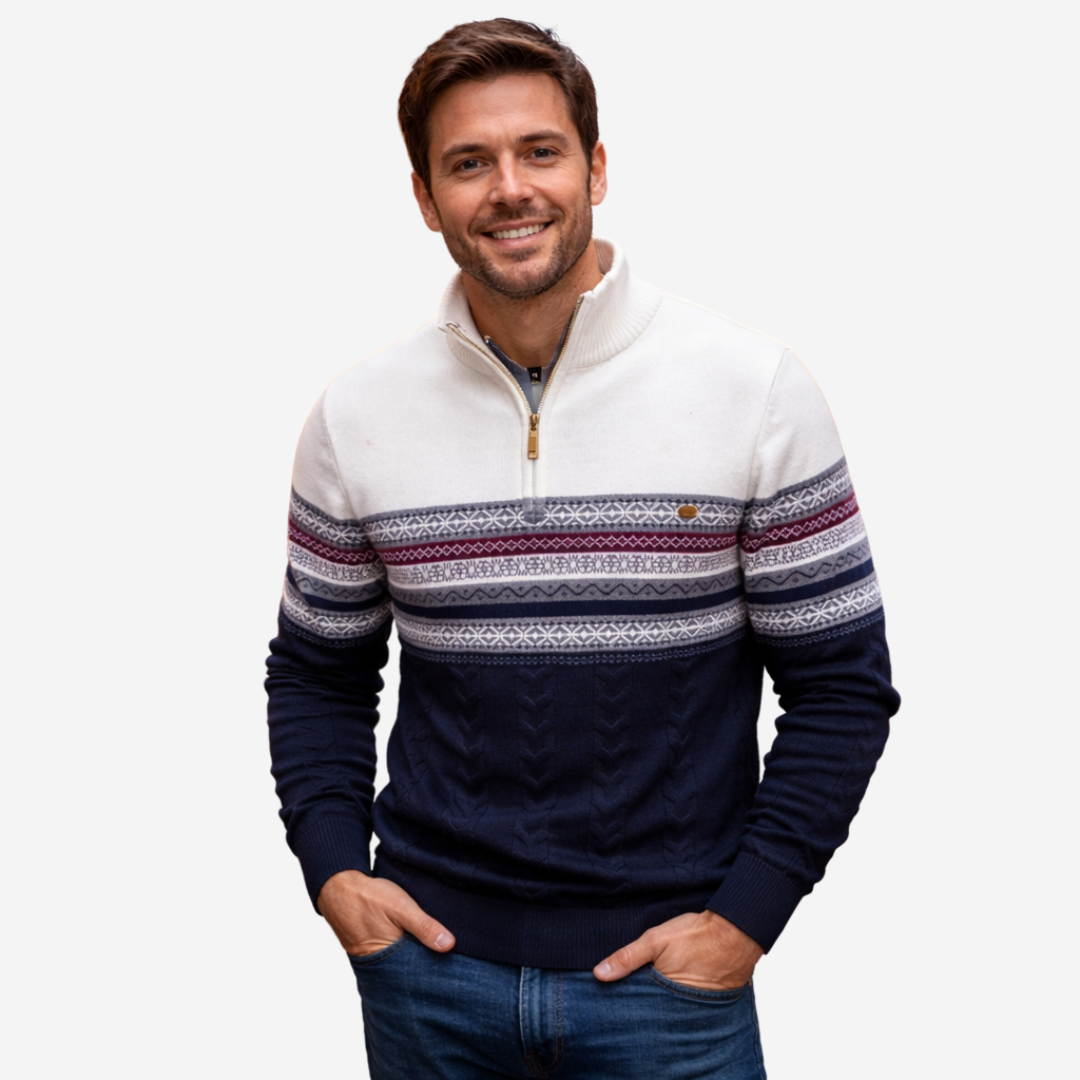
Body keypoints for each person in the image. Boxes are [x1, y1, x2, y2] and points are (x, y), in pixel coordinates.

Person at [266, 18, 900, 1080]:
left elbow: (842, 686)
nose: (510, 189)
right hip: (428, 983)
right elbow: (318, 672)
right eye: (469, 163)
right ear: (425, 197)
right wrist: (335, 876)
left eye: (541, 151)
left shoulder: (753, 391)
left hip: (671, 996)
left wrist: (745, 921)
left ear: (596, 169)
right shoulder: (355, 415)